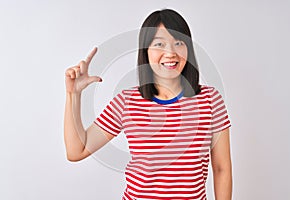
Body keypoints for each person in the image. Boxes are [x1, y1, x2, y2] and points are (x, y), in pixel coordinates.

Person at [64, 9, 232, 200]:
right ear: (146, 51)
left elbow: (221, 169)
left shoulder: (210, 100)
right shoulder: (126, 101)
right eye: (159, 44)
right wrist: (73, 94)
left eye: (178, 42)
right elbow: (76, 150)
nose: (170, 53)